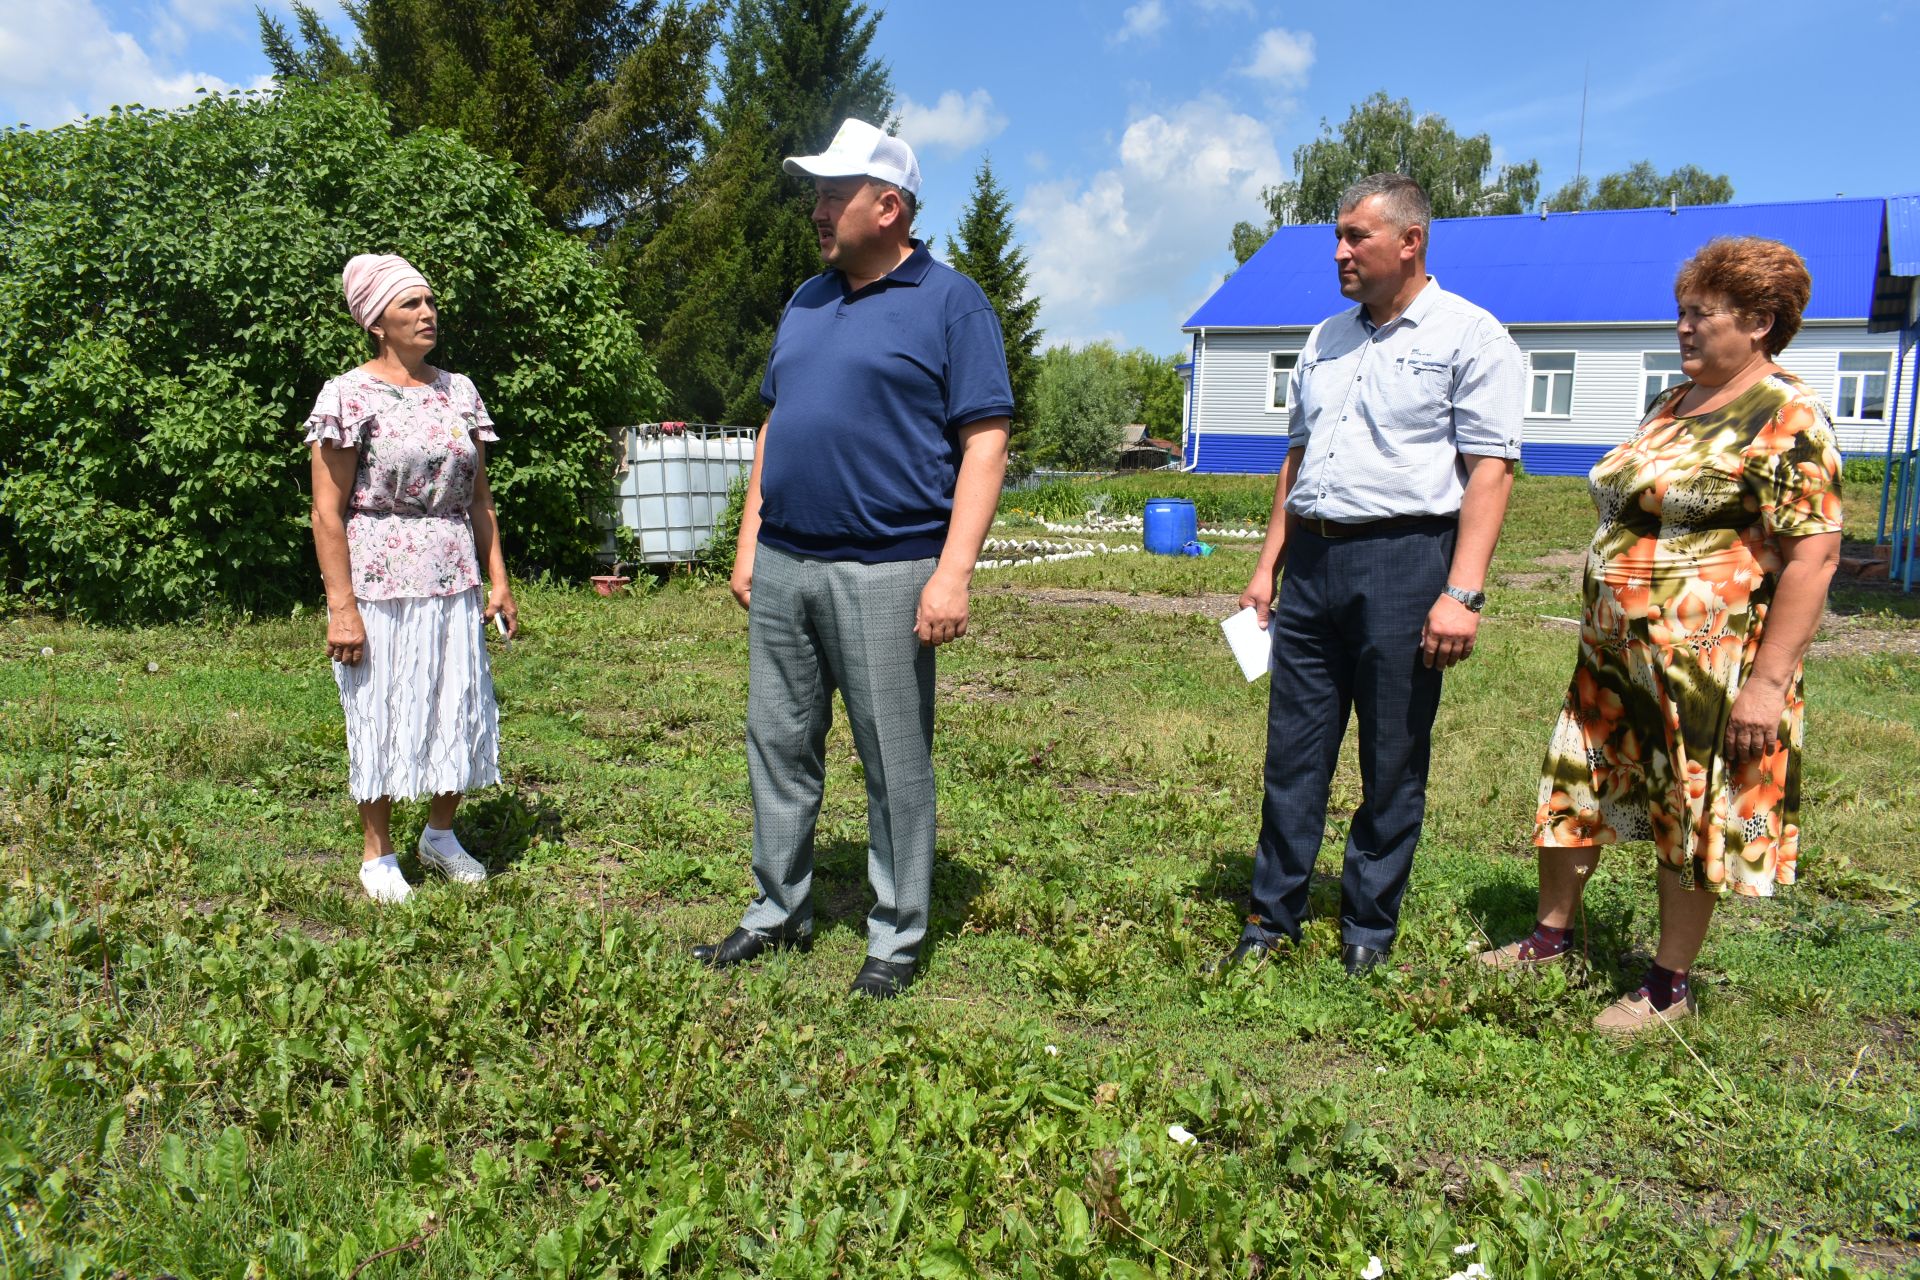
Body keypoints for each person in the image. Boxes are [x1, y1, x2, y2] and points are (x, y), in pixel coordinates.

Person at [1479, 237, 1842, 1034]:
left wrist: (1769, 682)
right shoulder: (1670, 404)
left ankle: (1668, 989)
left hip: (1708, 666)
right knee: (1578, 780)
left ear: (1757, 321)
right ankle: (1550, 939)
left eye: (1698, 315)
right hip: (1613, 658)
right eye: (1680, 312)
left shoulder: (1788, 413)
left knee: (1690, 803)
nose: (1682, 328)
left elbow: (1814, 553)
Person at [689, 118, 1012, 998]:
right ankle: (775, 909)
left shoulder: (953, 302)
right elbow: (776, 424)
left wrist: (953, 572)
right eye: (818, 195)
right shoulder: (806, 299)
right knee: (778, 743)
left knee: (892, 755)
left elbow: (985, 442)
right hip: (789, 563)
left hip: (890, 568)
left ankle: (897, 934)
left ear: (890, 206)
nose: (818, 211)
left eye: (835, 195)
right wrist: (752, 536)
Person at [1221, 174, 1524, 978]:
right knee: (1294, 749)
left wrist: (1461, 593)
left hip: (1406, 560)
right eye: (1339, 235)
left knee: (1392, 753)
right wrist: (1266, 569)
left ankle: (1368, 926)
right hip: (1314, 564)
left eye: (1357, 235)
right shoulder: (1326, 339)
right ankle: (1270, 917)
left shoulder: (1471, 338)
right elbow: (1296, 457)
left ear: (1410, 242)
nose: (1340, 251)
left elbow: (1490, 470)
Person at [306, 253, 519, 904]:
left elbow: (479, 497)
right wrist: (341, 606)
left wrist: (499, 579)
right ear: (377, 321)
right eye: (410, 305)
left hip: (453, 574)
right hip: (379, 579)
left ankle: (441, 833)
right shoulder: (349, 395)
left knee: (455, 701)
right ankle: (378, 853)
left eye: (429, 302)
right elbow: (326, 510)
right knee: (382, 709)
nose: (427, 314)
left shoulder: (459, 391)